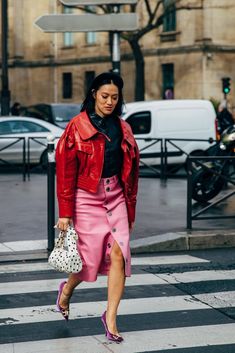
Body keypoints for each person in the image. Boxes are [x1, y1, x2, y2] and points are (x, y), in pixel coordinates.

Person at [55, 72, 139, 342]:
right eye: (104, 96)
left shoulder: (123, 128)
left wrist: (131, 209)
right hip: (86, 196)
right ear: (93, 94)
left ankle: (111, 318)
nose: (110, 102)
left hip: (115, 195)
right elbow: (65, 171)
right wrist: (65, 213)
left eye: (115, 97)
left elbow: (132, 173)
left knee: (119, 254)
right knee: (89, 260)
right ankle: (67, 290)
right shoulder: (77, 127)